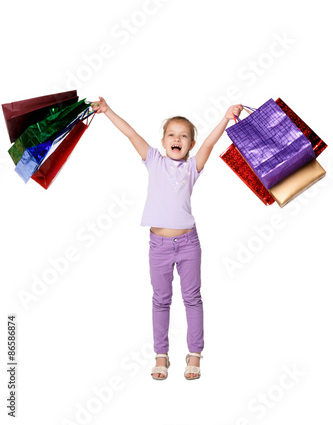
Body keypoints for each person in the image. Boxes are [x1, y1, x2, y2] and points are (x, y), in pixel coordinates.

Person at [91, 96, 242, 380]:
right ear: (162, 141)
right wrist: (108, 110)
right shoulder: (153, 161)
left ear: (190, 145)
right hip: (158, 246)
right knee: (161, 300)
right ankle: (161, 355)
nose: (177, 139)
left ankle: (194, 354)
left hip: (188, 244)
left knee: (192, 298)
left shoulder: (192, 167)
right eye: (171, 134)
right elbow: (131, 133)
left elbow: (210, 143)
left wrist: (225, 117)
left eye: (184, 136)